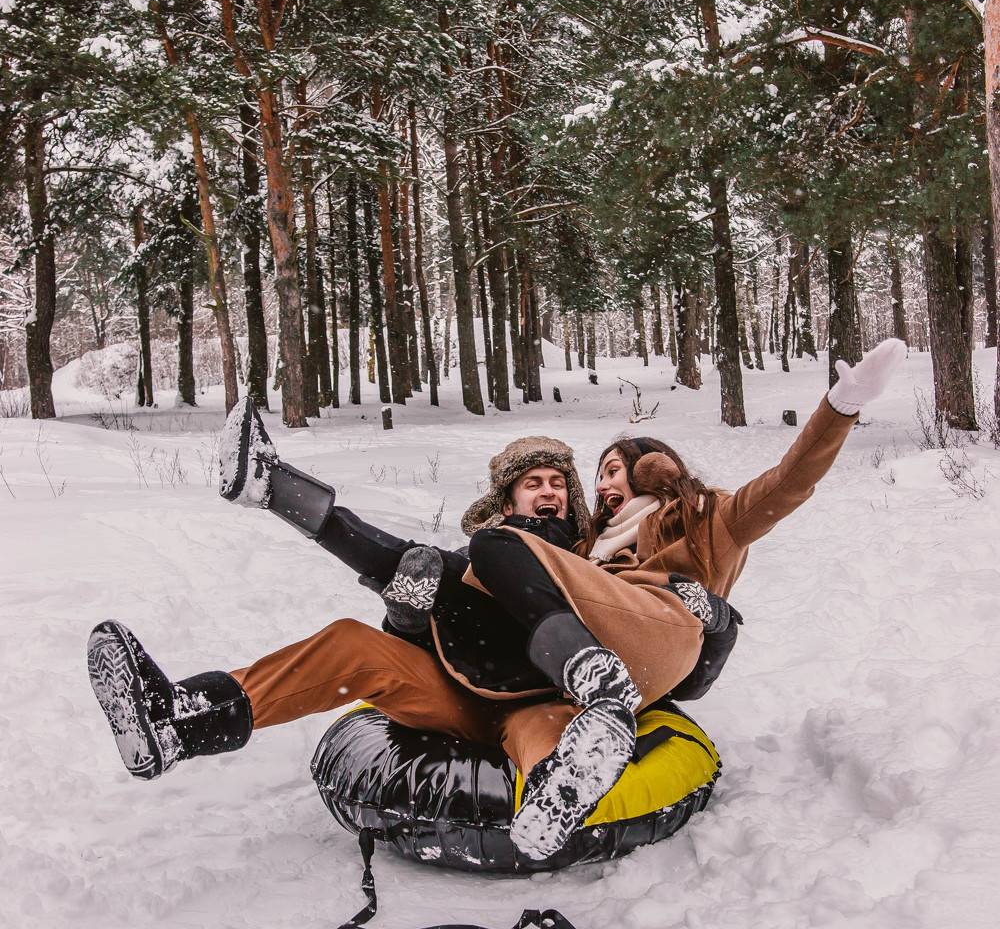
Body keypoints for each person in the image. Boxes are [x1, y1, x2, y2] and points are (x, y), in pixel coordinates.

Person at [88, 338, 905, 861]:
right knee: (353, 639)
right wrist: (409, 612)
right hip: (475, 692)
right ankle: (177, 719)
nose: (597, 485)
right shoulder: (550, 550)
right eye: (593, 475)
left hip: (572, 686)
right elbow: (433, 589)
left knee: (535, 694)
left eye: (595, 474)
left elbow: (783, 486)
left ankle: (571, 754)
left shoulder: (684, 526)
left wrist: (838, 408)